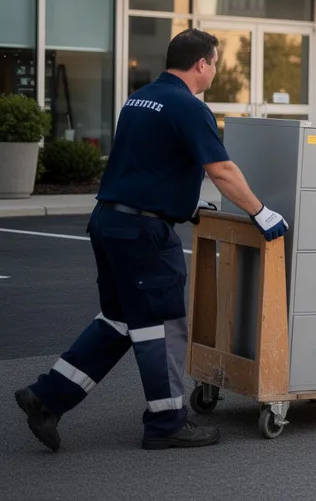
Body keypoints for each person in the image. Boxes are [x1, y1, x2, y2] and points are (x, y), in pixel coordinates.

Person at [14, 29, 290, 452]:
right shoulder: (188, 106)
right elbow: (222, 171)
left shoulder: (139, 99)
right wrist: (260, 211)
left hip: (109, 222)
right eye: (214, 63)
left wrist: (185, 202)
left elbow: (149, 163)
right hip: (143, 233)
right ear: (202, 64)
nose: (215, 70)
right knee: (162, 326)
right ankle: (167, 422)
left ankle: (47, 398)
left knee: (121, 320)